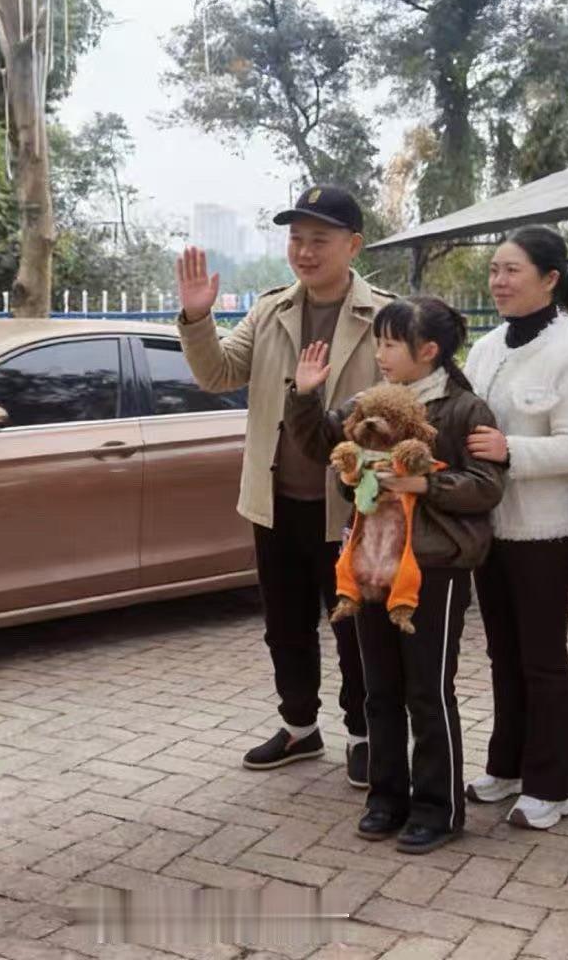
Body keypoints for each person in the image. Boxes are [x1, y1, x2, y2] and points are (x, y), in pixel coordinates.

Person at [176, 185, 394, 785]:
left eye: (319, 239)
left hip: (350, 506)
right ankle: (299, 727)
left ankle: (364, 733)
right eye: (296, 238)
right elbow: (217, 373)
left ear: (352, 245)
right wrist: (198, 318)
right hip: (275, 500)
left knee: (352, 627)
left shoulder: (383, 316)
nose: (304, 250)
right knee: (285, 624)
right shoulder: (270, 311)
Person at [286, 297, 506, 854]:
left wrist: (424, 485)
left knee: (427, 690)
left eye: (389, 343)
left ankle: (440, 808)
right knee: (378, 690)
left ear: (427, 351)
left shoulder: (464, 410)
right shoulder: (366, 404)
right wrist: (306, 395)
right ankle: (386, 798)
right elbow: (321, 447)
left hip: (434, 567)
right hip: (369, 562)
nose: (380, 353)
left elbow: (486, 486)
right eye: (379, 343)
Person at [461, 226, 568, 830]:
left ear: (550, 279)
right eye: (494, 269)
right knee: (501, 653)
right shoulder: (487, 346)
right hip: (488, 527)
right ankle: (508, 766)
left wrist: (506, 448)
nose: (498, 280)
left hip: (547, 530)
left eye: (512, 270)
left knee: (542, 657)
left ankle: (555, 785)